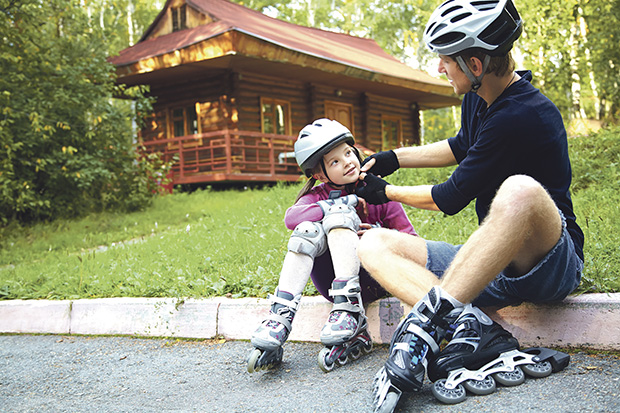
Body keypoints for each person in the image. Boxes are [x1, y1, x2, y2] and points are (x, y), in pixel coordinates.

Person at [357, 0, 584, 407]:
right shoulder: (481, 99)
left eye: (446, 61)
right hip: (495, 261)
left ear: (475, 65)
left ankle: (426, 324)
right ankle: (473, 324)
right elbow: (459, 146)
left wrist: (384, 192)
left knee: (520, 189)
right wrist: (393, 158)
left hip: (549, 264)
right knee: (372, 244)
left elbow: (449, 197)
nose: (440, 69)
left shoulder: (523, 114)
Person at [247, 118, 417, 373]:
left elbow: (413, 242)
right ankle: (280, 317)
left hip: (375, 280)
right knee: (308, 228)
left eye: (349, 153)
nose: (348, 161)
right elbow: (291, 218)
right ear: (319, 174)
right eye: (335, 161)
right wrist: (341, 203)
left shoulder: (378, 191)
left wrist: (381, 236)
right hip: (331, 284)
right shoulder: (318, 196)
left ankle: (352, 313)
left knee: (339, 216)